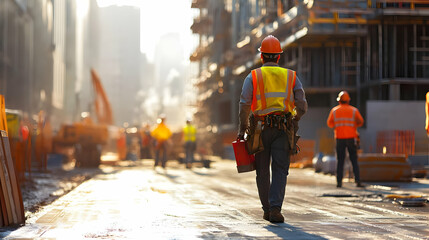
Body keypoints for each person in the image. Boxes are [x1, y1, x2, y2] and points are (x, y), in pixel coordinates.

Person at [237, 35, 307, 223]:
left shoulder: (253, 76)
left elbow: (244, 104)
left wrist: (241, 130)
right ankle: (275, 209)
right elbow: (302, 105)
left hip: (259, 130)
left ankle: (267, 210)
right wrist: (294, 118)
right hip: (283, 129)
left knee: (262, 170)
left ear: (262, 57)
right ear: (278, 57)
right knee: (280, 169)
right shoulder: (291, 76)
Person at [327, 91, 364, 188]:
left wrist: (338, 126)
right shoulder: (354, 110)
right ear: (348, 101)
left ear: (339, 101)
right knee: (354, 160)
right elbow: (361, 122)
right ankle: (358, 181)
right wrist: (354, 126)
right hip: (351, 138)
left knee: (340, 160)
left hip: (340, 138)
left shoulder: (334, 111)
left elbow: (330, 124)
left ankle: (339, 182)